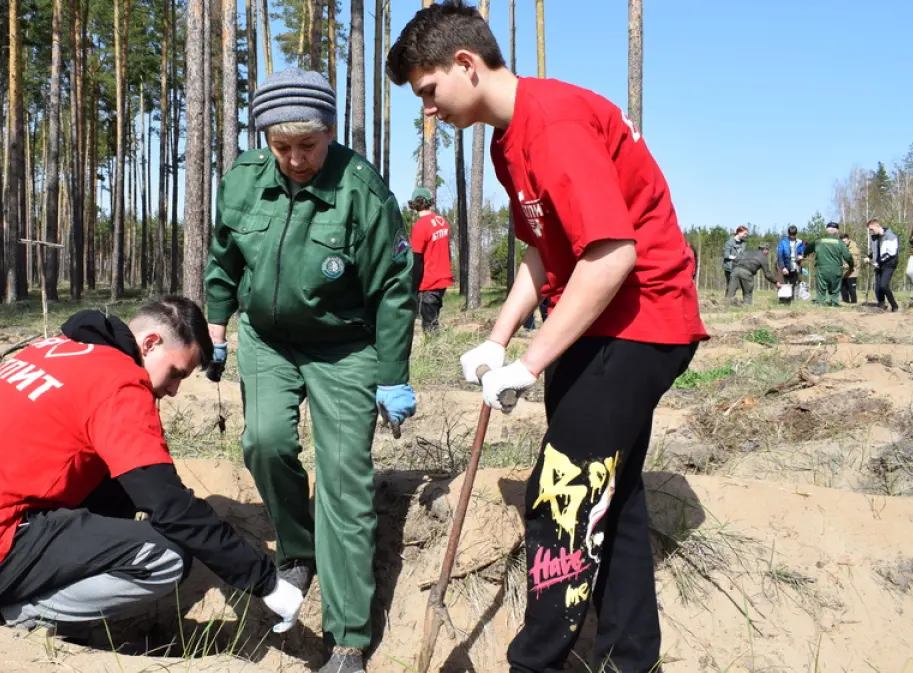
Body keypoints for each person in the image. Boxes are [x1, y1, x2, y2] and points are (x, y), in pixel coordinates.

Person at [387, 4, 707, 672]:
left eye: (428, 91)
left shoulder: (554, 124)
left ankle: (536, 662)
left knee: (561, 495)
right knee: (608, 491)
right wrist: (499, 338)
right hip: (596, 321)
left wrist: (531, 361)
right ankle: (628, 656)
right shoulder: (509, 141)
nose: (429, 109)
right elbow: (546, 250)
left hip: (642, 321)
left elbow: (613, 254)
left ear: (466, 65)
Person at [0, 300, 303, 639]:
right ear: (149, 343)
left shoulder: (55, 349)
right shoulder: (120, 384)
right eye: (177, 373)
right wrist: (264, 581)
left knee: (117, 479)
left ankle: (0, 599)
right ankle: (3, 618)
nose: (174, 389)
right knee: (168, 557)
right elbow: (168, 505)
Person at [203, 68, 416, 673]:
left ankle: (348, 638)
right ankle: (298, 549)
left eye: (309, 146)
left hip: (344, 346)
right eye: (282, 147)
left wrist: (392, 372)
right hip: (267, 339)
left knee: (345, 482)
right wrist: (217, 328)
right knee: (265, 442)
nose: (296, 160)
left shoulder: (361, 191)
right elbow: (223, 255)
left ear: (329, 132)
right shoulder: (245, 178)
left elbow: (395, 289)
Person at [409, 186, 455, 331]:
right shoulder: (442, 222)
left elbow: (417, 259)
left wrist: (413, 287)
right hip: (443, 278)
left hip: (428, 282)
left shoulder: (420, 226)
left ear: (415, 204)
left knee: (429, 325)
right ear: (429, 202)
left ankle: (433, 350)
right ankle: (436, 348)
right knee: (434, 318)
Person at [805, 223, 854, 306]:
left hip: (821, 270)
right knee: (835, 290)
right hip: (836, 270)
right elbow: (848, 257)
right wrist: (851, 265)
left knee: (821, 290)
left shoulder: (818, 241)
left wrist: (803, 254)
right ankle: (834, 303)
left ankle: (820, 302)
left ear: (826, 230)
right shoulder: (840, 243)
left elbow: (807, 250)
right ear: (837, 231)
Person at [869, 218, 900, 312]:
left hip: (889, 264)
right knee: (877, 287)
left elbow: (891, 253)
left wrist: (878, 262)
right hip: (880, 264)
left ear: (877, 226)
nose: (871, 231)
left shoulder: (890, 236)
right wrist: (869, 257)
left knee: (883, 285)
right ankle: (881, 305)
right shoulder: (876, 237)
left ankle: (894, 306)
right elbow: (877, 251)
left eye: (872, 229)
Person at [777, 225, 806, 303]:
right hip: (786, 266)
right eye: (791, 235)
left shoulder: (800, 242)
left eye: (794, 235)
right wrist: (783, 267)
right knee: (784, 284)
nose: (792, 236)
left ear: (796, 234)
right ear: (788, 234)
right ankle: (783, 301)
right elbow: (780, 256)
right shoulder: (783, 243)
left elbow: (802, 251)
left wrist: (801, 256)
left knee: (794, 284)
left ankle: (792, 300)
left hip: (796, 266)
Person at [722, 226, 748, 297]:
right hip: (730, 267)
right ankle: (727, 301)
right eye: (744, 234)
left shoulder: (744, 243)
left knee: (736, 285)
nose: (745, 236)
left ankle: (731, 300)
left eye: (746, 234)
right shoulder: (729, 242)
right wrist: (735, 258)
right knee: (730, 285)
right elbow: (726, 254)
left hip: (739, 267)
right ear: (739, 232)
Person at [841, 233, 861, 304]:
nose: (843, 243)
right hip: (844, 272)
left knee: (851, 289)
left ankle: (854, 303)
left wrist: (845, 265)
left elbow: (853, 261)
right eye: (842, 242)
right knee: (843, 289)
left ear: (848, 240)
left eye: (844, 241)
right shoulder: (842, 247)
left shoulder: (853, 247)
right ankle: (845, 302)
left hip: (852, 271)